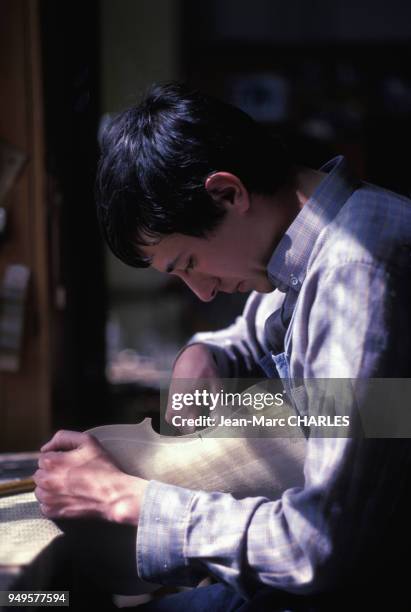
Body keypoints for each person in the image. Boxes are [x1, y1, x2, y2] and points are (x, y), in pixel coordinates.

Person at [34, 82, 411, 610]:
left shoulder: (354, 272)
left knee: (46, 602)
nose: (204, 290)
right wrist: (206, 353)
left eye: (188, 263)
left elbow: (319, 544)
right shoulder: (314, 245)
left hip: (370, 583)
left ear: (228, 193)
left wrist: (135, 501)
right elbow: (257, 331)